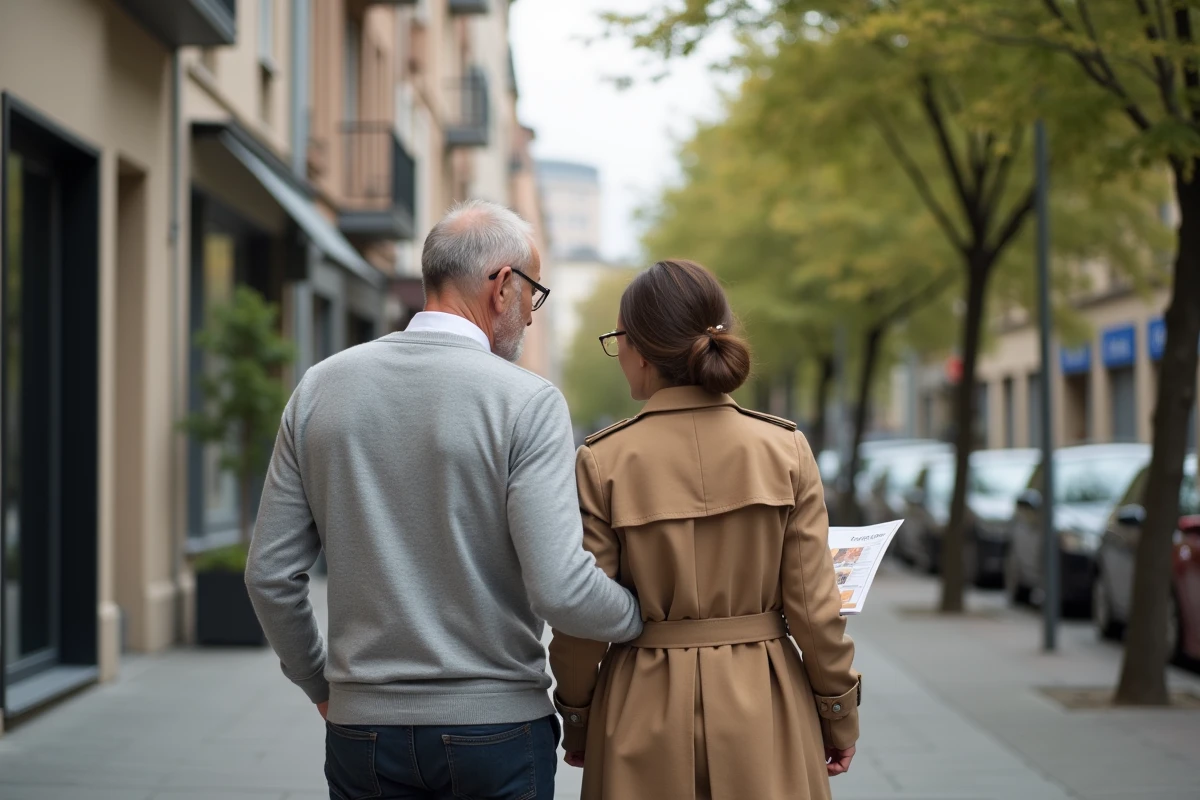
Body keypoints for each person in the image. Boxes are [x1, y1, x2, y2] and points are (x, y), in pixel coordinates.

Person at [246, 200, 643, 800]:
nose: (531, 320)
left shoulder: (320, 389)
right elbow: (562, 590)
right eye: (533, 295)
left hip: (362, 731)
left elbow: (270, 574)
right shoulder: (526, 403)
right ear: (502, 285)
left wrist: (319, 682)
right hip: (497, 727)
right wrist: (644, 614)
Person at [549, 259, 861, 800]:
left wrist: (577, 718)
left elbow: (583, 619)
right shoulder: (785, 449)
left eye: (616, 338)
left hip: (639, 706)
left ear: (641, 350)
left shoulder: (603, 461)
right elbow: (814, 610)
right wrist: (838, 714)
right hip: (767, 702)